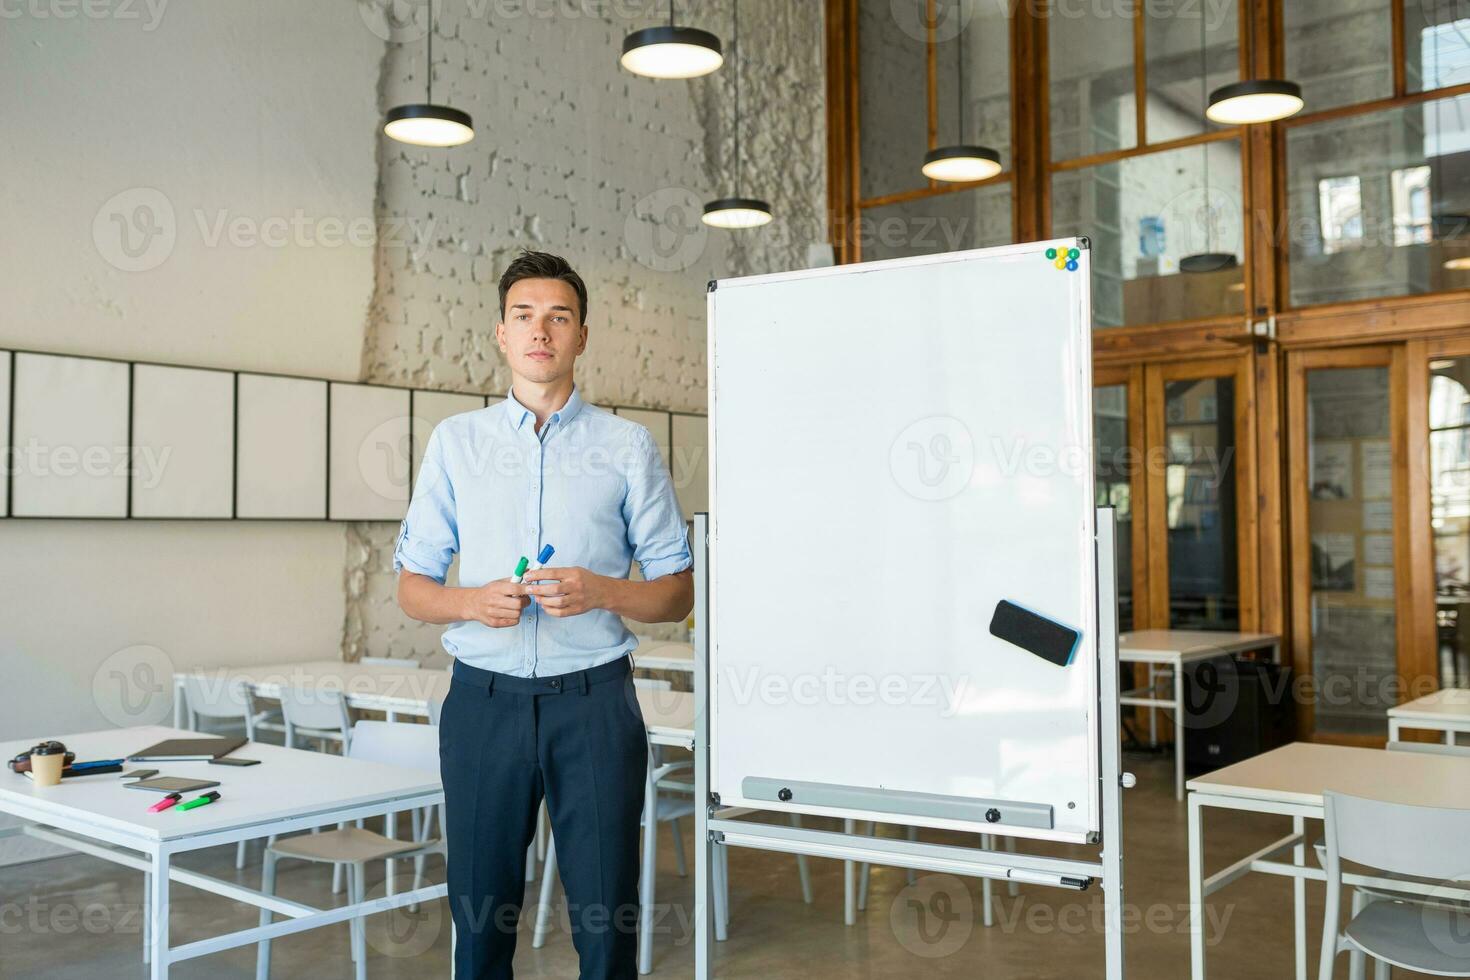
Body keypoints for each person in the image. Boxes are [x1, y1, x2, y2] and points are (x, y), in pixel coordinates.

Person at [393, 249, 694, 979]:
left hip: (594, 704)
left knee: (606, 920)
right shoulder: (455, 444)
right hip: (482, 703)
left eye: (558, 317)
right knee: (481, 917)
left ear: (581, 336)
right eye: (524, 316)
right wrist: (470, 601)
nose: (541, 331)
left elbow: (677, 592)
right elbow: (412, 586)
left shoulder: (628, 447)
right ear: (501, 334)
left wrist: (602, 590)